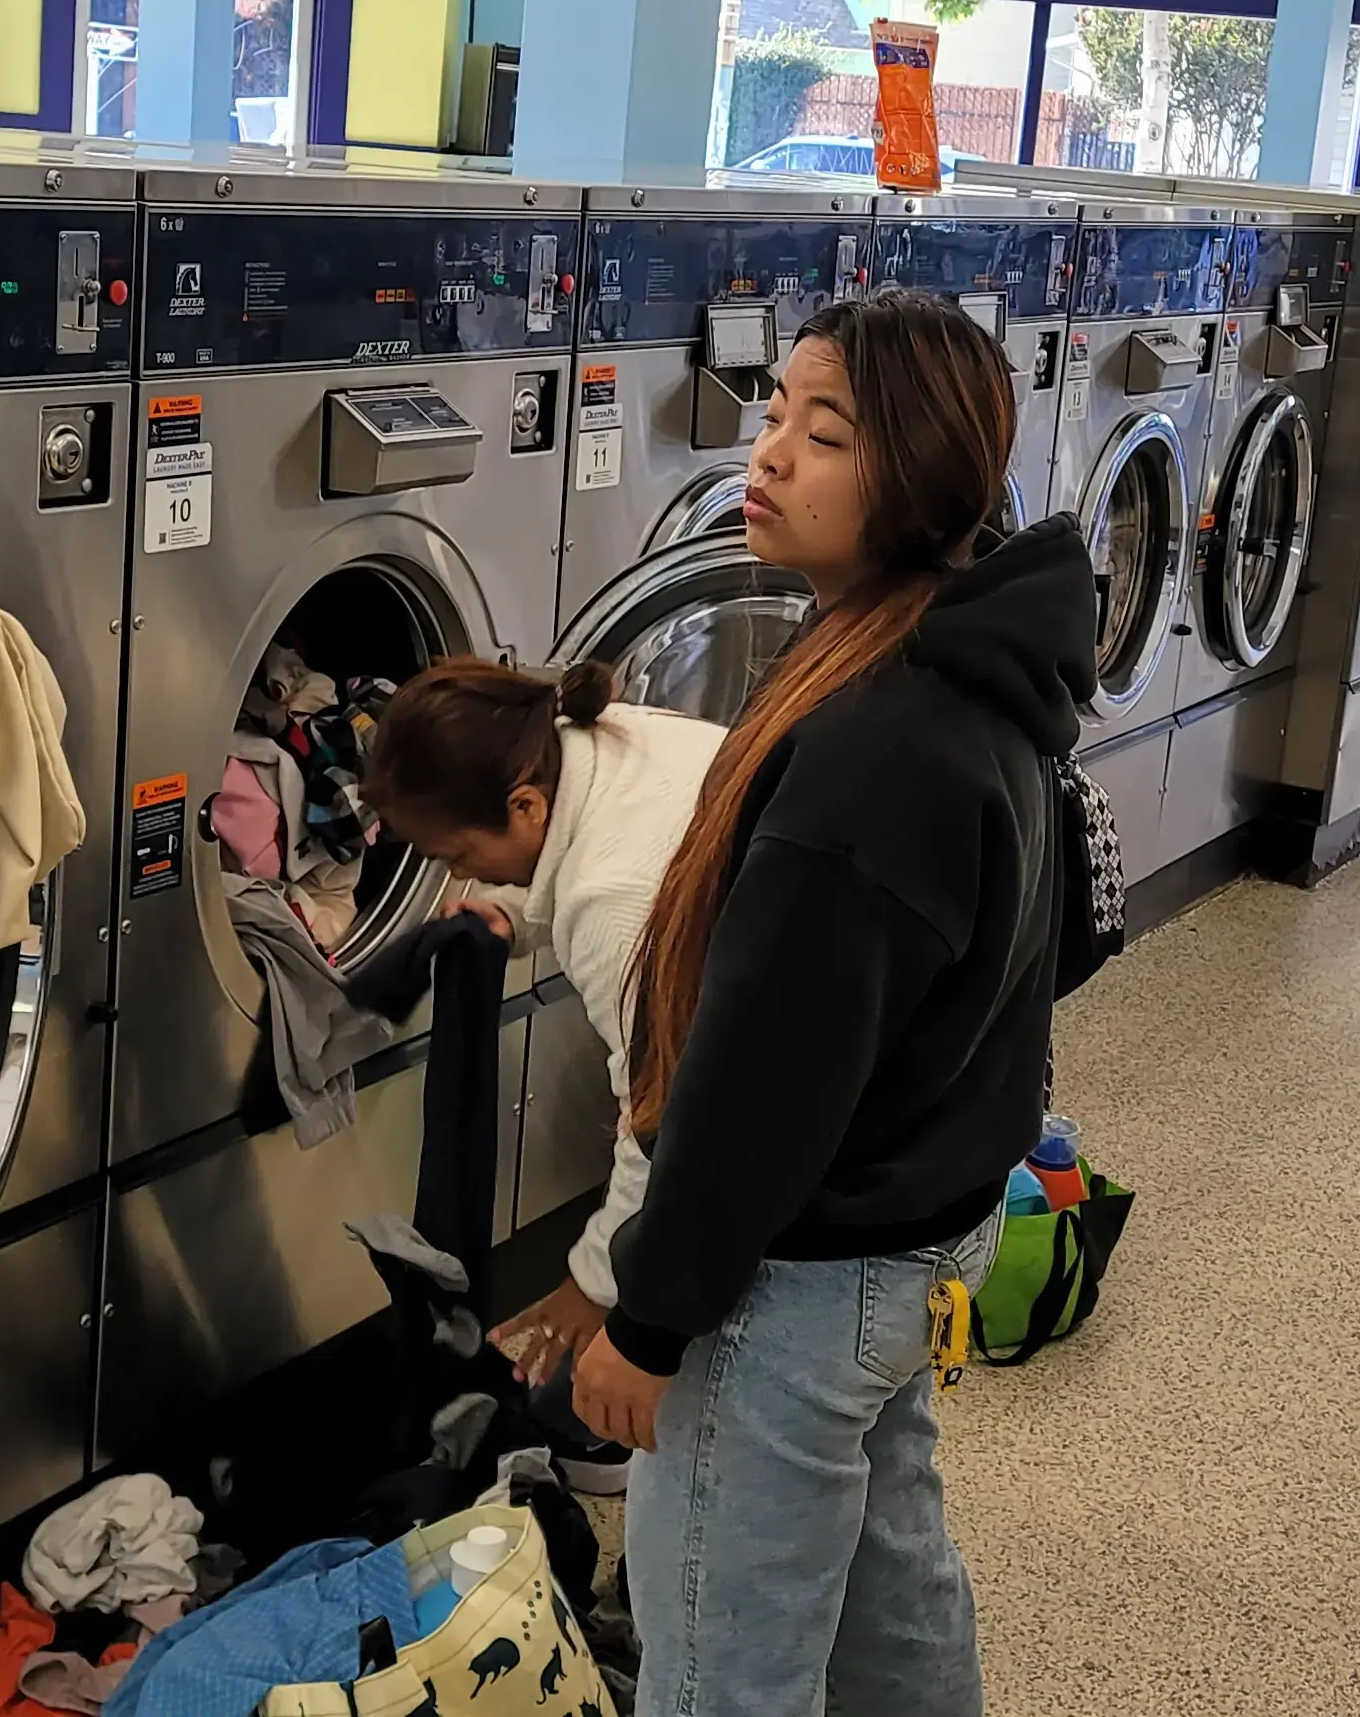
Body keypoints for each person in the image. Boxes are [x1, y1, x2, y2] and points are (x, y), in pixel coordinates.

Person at [561, 287, 1094, 1717]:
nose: (773, 451)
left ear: (917, 472)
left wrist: (648, 1318)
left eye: (829, 431)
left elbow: (762, 1081)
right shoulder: (960, 659)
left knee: (719, 1660)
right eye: (777, 412)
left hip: (793, 1278)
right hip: (907, 1236)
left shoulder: (877, 740)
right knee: (882, 1609)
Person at [357, 655, 725, 1419]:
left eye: (458, 857)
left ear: (525, 806)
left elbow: (667, 1121)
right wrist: (509, 915)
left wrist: (592, 1286)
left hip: (832, 1143)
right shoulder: (603, 735)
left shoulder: (611, 902)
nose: (459, 875)